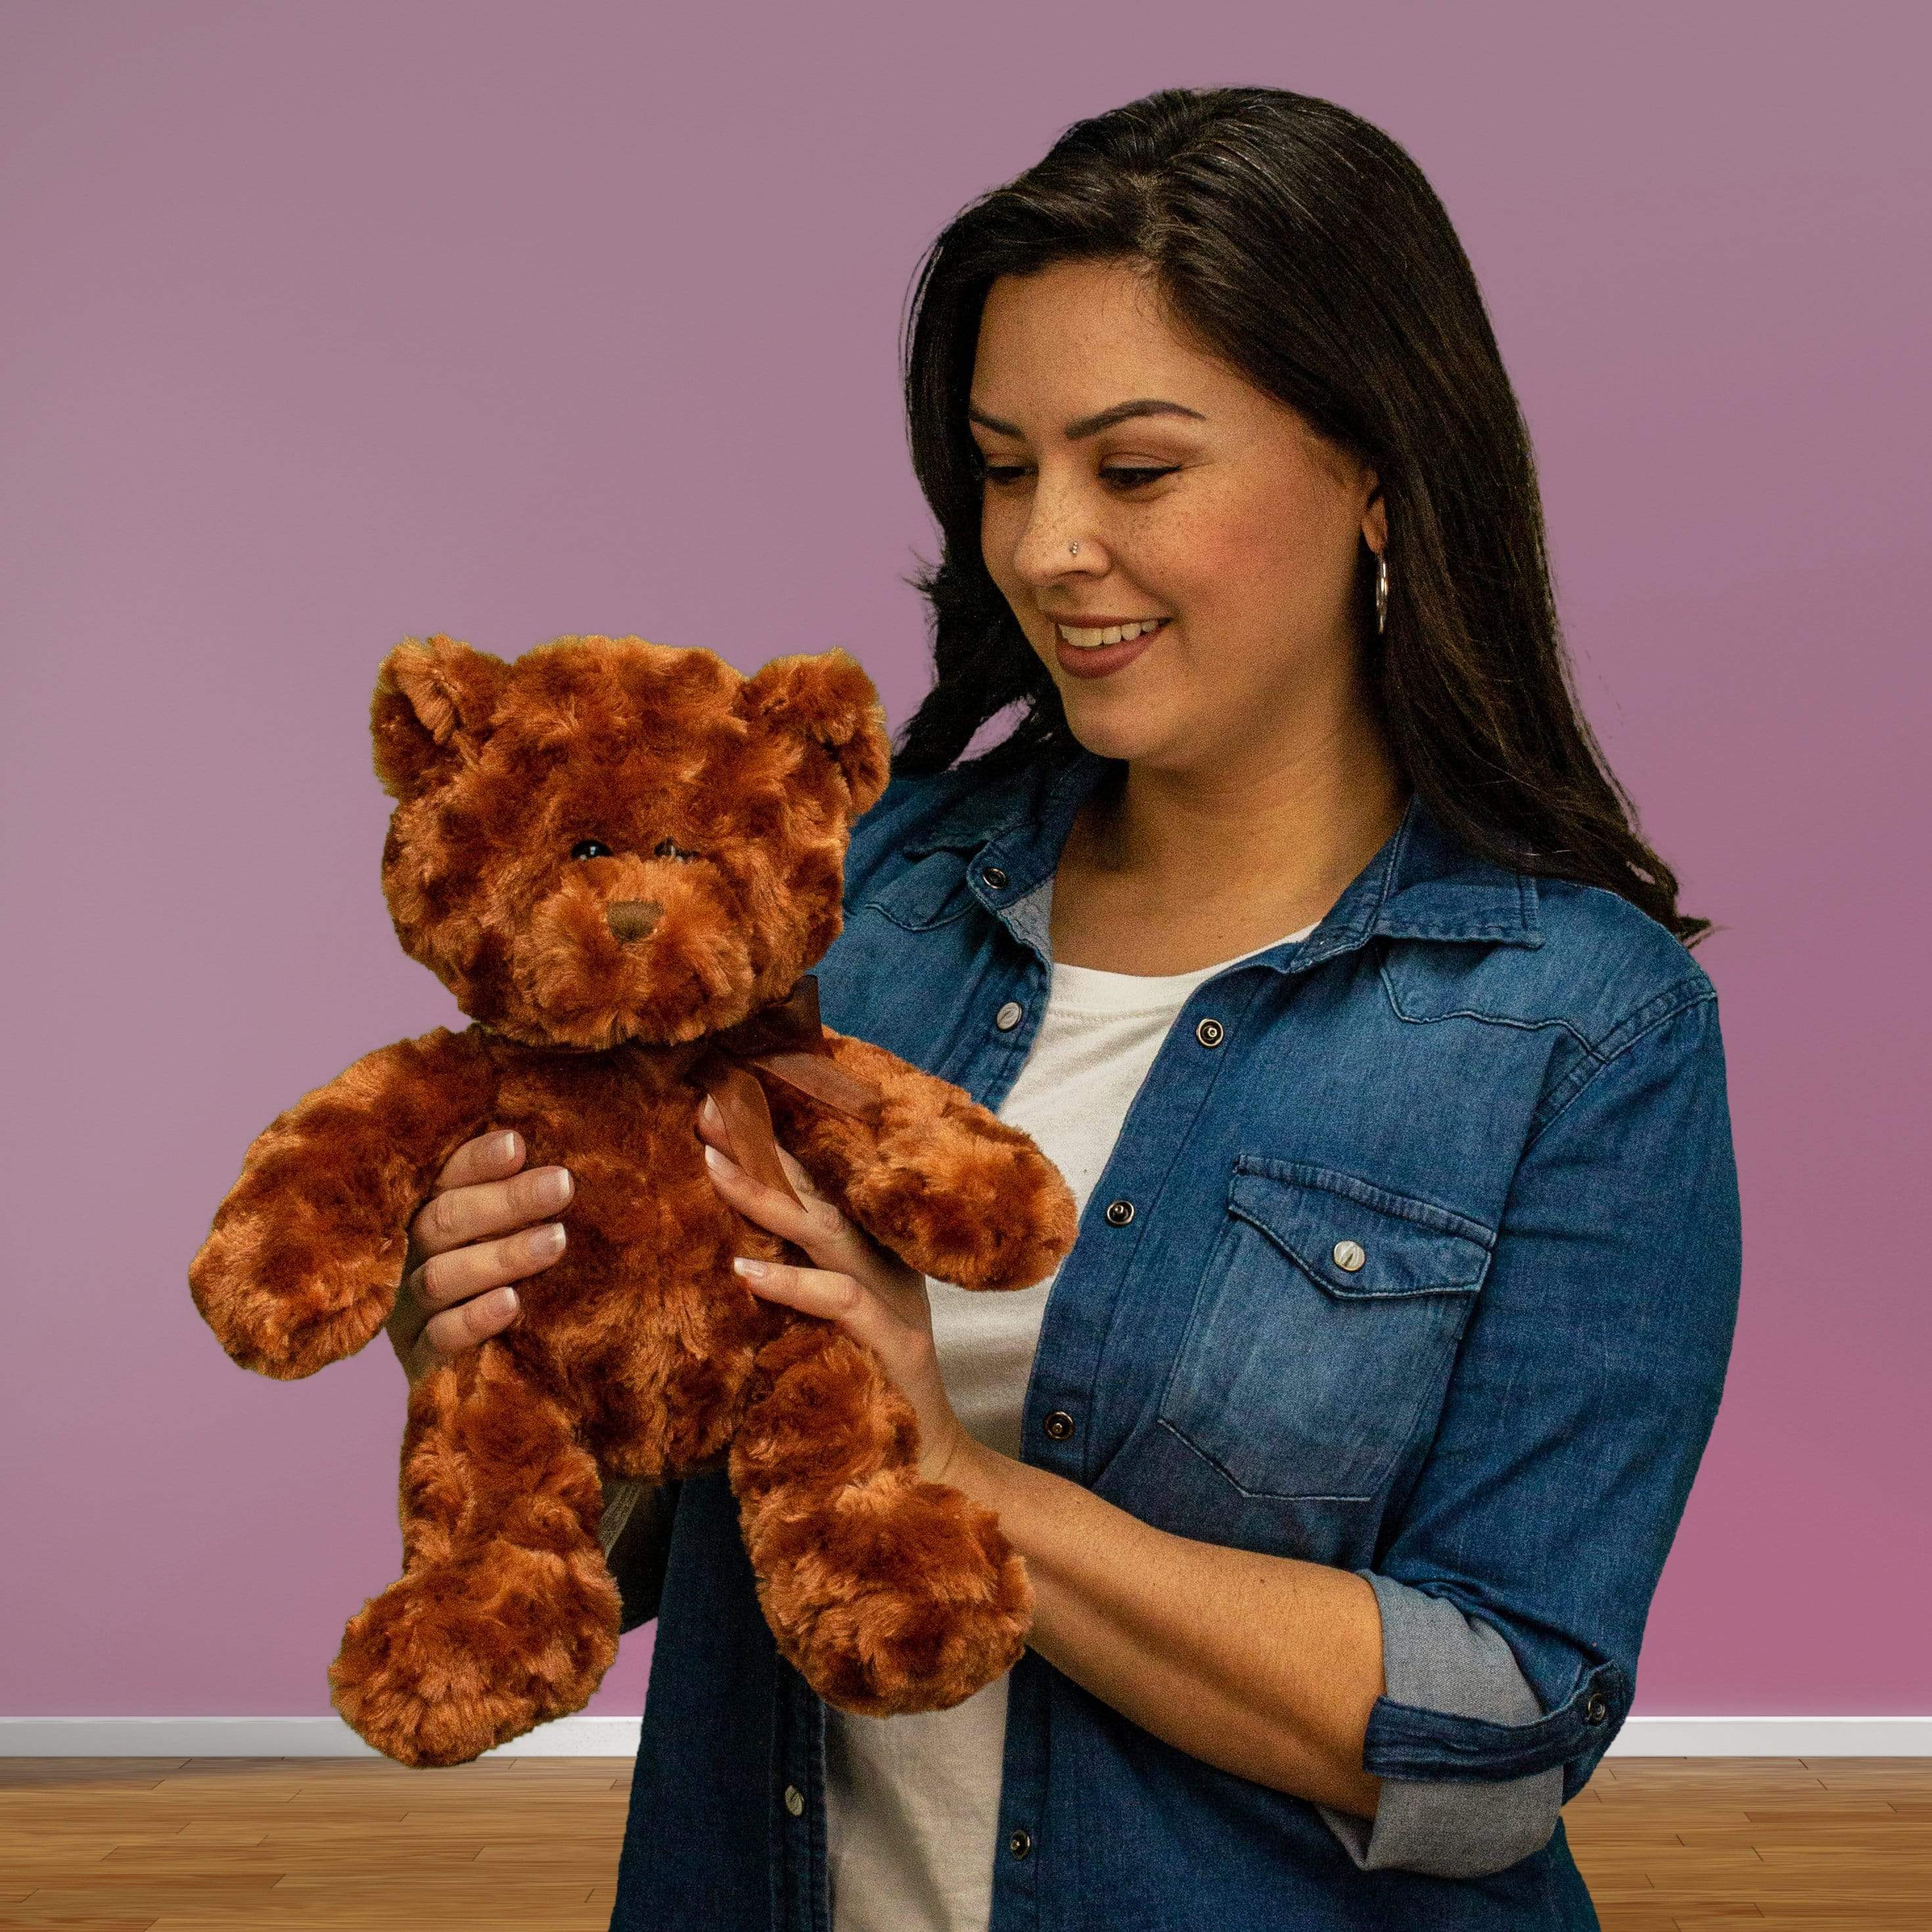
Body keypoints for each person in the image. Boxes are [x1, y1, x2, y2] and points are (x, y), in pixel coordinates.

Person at [384, 86, 1741, 1932]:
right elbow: (654, 1543)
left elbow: (1501, 1722)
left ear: (1374, 473)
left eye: (1133, 468)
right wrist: (505, 1337)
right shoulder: (832, 897)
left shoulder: (1577, 1021)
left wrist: (948, 1473)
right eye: (1004, 467)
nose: (1041, 547)